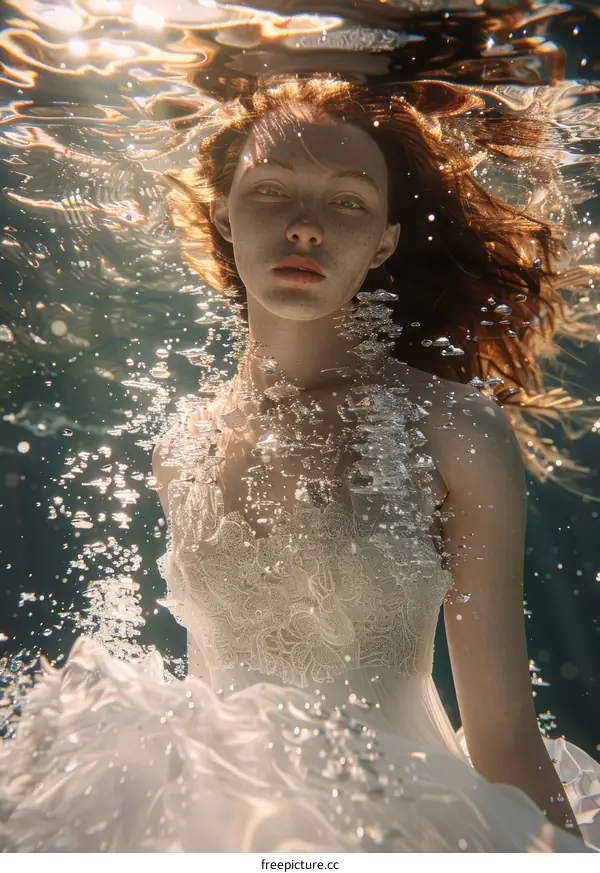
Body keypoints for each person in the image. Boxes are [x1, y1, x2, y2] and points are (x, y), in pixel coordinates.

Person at [0, 76, 598, 853]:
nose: (307, 227)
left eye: (347, 202)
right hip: (210, 827)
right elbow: (209, 699)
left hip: (402, 830)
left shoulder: (452, 427)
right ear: (223, 210)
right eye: (273, 190)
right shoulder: (181, 441)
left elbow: (507, 739)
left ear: (384, 239)